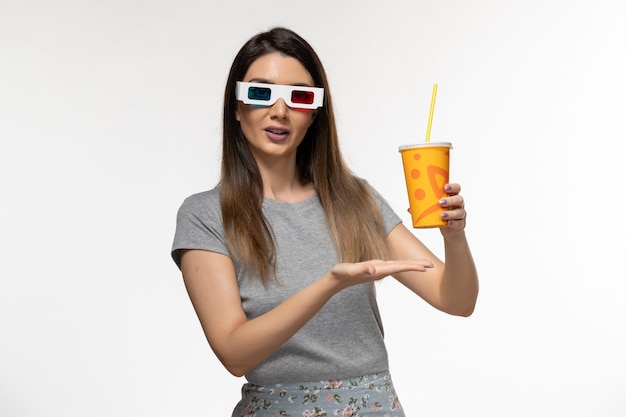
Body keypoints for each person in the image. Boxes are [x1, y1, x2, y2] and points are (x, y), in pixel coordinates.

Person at [171, 27, 478, 417]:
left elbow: (458, 300)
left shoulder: (354, 200)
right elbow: (234, 354)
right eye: (261, 93)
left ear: (316, 112)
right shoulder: (205, 215)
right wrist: (330, 284)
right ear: (236, 106)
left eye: (299, 97)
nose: (279, 111)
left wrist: (454, 236)